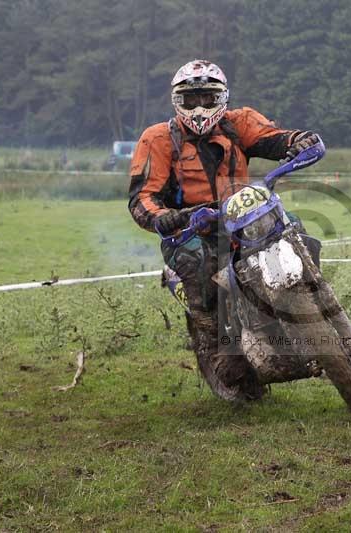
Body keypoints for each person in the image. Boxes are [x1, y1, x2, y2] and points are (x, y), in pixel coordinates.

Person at [128, 59, 322, 391]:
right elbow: (142, 196)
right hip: (188, 229)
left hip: (241, 218)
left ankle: (314, 310)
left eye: (208, 98)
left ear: (223, 98)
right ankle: (214, 345)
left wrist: (298, 141)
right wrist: (164, 217)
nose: (200, 107)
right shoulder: (158, 138)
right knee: (201, 269)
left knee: (296, 233)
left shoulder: (239, 122)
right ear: (177, 102)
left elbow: (273, 137)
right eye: (190, 100)